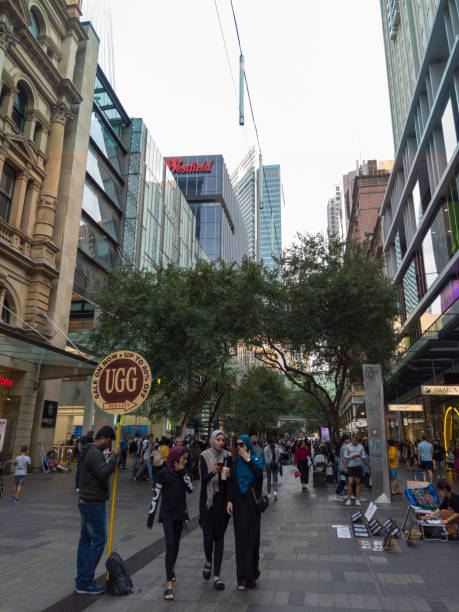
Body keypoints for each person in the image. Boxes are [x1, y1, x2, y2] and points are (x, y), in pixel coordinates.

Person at [75, 426, 121, 595]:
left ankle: (81, 579)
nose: (107, 446)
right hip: (93, 503)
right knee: (99, 540)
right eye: (108, 442)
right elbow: (103, 473)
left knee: (86, 541)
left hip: (86, 500)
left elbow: (96, 468)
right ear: (102, 438)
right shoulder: (94, 453)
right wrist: (115, 457)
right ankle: (85, 581)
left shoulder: (90, 452)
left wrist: (106, 457)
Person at [148, 445, 193, 601]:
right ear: (175, 457)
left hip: (180, 514)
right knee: (170, 544)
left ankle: (172, 567)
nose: (185, 461)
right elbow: (156, 495)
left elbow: (191, 489)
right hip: (167, 514)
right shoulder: (163, 473)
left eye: (186, 459)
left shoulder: (183, 473)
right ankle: (168, 585)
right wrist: (150, 516)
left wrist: (182, 472)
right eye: (183, 459)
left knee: (176, 545)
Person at [227, 434, 264, 591]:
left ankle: (252, 575)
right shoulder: (234, 463)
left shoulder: (256, 460)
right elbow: (231, 483)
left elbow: (259, 477)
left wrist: (249, 461)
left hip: (253, 506)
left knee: (253, 540)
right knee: (240, 541)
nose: (240, 447)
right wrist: (229, 500)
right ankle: (241, 577)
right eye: (238, 445)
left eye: (242, 444)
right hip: (239, 506)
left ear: (248, 445)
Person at [199, 430, 231, 591]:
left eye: (222, 440)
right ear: (213, 440)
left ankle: (217, 576)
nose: (220, 443)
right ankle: (208, 561)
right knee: (208, 536)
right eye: (218, 439)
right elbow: (203, 480)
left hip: (222, 501)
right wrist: (213, 472)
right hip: (208, 502)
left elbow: (229, 482)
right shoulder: (204, 456)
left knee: (219, 537)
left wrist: (227, 475)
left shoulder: (227, 456)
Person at [343, 434, 365, 506]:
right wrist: (351, 457)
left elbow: (364, 456)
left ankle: (357, 499)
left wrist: (360, 456)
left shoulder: (360, 447)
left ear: (357, 440)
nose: (354, 441)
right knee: (350, 482)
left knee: (358, 482)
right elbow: (345, 455)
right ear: (351, 439)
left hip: (358, 466)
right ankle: (349, 499)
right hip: (351, 466)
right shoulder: (348, 446)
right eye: (353, 440)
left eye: (355, 440)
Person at [334, 435, 350, 501]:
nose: (349, 440)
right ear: (345, 440)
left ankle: (340, 493)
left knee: (343, 480)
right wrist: (346, 467)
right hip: (344, 466)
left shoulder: (342, 447)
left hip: (342, 466)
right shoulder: (345, 447)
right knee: (346, 480)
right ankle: (339, 492)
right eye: (348, 439)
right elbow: (344, 458)